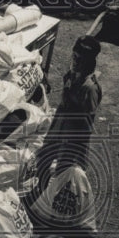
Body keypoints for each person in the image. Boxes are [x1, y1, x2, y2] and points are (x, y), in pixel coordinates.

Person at [34, 35, 103, 186]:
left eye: (80, 59)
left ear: (90, 62)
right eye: (74, 56)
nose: (75, 61)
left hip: (72, 134)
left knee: (63, 170)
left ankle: (51, 199)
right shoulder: (73, 73)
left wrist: (78, 148)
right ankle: (38, 187)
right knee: (44, 156)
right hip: (59, 124)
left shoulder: (90, 88)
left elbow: (87, 124)